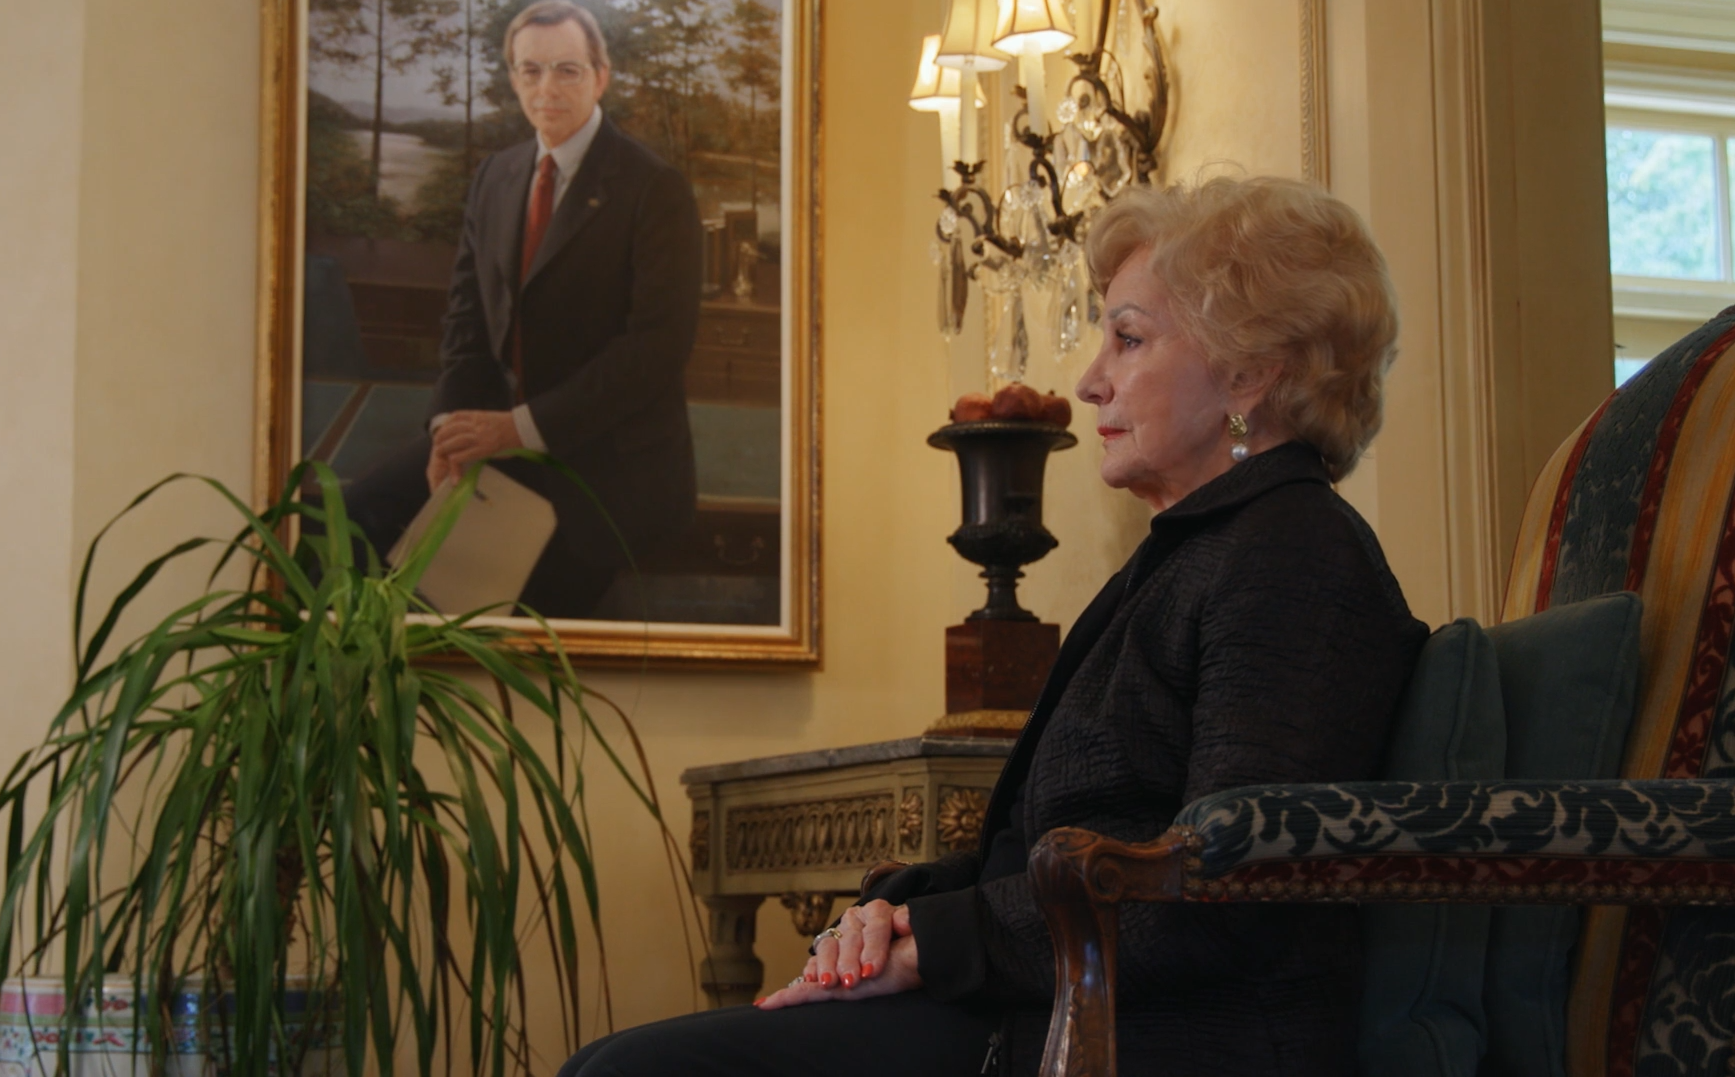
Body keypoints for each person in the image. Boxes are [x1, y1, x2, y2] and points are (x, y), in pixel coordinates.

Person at [559, 176, 1430, 1076]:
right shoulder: (1193, 553)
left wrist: (934, 944)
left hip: (1151, 1040)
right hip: (1044, 1012)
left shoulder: (1292, 555)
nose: (1090, 381)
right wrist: (897, 912)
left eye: (1128, 339)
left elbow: (1222, 886)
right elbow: (1040, 850)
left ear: (1250, 370)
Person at [344, 0, 702, 617]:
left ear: (601, 75)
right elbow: (465, 325)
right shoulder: (496, 177)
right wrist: (448, 432)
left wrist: (518, 428)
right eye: (530, 71)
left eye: (566, 70)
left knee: (508, 619)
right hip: (498, 445)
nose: (546, 88)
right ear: (513, 78)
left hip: (603, 465)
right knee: (346, 520)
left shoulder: (655, 188)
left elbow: (655, 352)